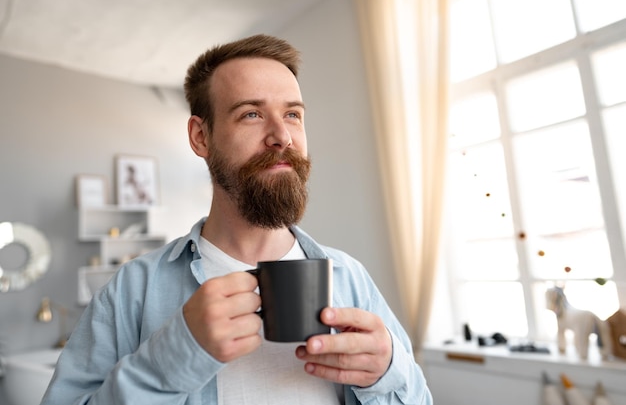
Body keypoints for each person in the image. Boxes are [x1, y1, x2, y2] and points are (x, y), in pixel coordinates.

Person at [41, 34, 432, 405]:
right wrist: (166, 362)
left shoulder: (350, 277)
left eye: (293, 114)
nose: (282, 136)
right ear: (201, 137)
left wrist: (388, 371)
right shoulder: (132, 291)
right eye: (251, 114)